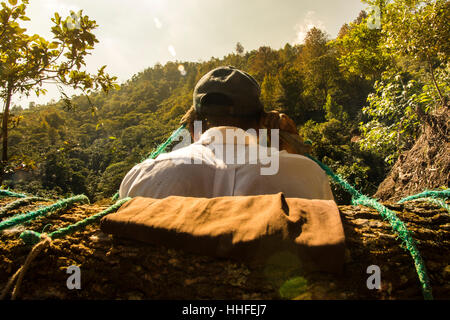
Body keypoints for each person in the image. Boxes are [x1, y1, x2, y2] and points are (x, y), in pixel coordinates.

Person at [119, 66, 334, 200]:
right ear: (261, 121)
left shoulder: (142, 176)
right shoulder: (308, 174)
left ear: (195, 124)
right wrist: (293, 146)